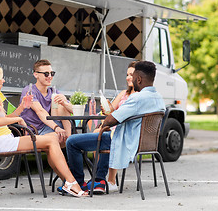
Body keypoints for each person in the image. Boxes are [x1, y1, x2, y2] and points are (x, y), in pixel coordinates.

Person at [0, 64, 87, 197]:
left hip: (6, 140)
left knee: (51, 142)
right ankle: (71, 182)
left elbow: (5, 118)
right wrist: (19, 119)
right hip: (4, 142)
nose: (3, 80)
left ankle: (68, 182)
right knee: (52, 141)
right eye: (1, 78)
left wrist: (22, 107)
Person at [65, 61, 165, 194]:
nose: (132, 80)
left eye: (133, 77)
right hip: (145, 144)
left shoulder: (137, 98)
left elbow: (112, 119)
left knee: (72, 142)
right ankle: (99, 181)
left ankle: (78, 184)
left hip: (126, 141)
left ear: (139, 79)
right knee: (106, 137)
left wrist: (104, 124)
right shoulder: (159, 98)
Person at [93, 61, 137, 192]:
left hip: (126, 129)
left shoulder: (139, 96)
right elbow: (111, 111)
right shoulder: (124, 93)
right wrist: (107, 106)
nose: (128, 77)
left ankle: (110, 180)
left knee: (105, 136)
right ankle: (100, 176)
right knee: (97, 133)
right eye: (127, 74)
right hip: (115, 125)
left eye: (131, 74)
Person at [20, 59, 72, 147]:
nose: (50, 76)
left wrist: (64, 103)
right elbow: (40, 111)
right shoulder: (29, 90)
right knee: (54, 140)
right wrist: (56, 128)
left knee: (62, 106)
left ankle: (69, 139)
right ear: (36, 74)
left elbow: (74, 110)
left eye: (52, 73)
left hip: (49, 126)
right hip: (35, 130)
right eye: (46, 74)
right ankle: (69, 142)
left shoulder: (53, 91)